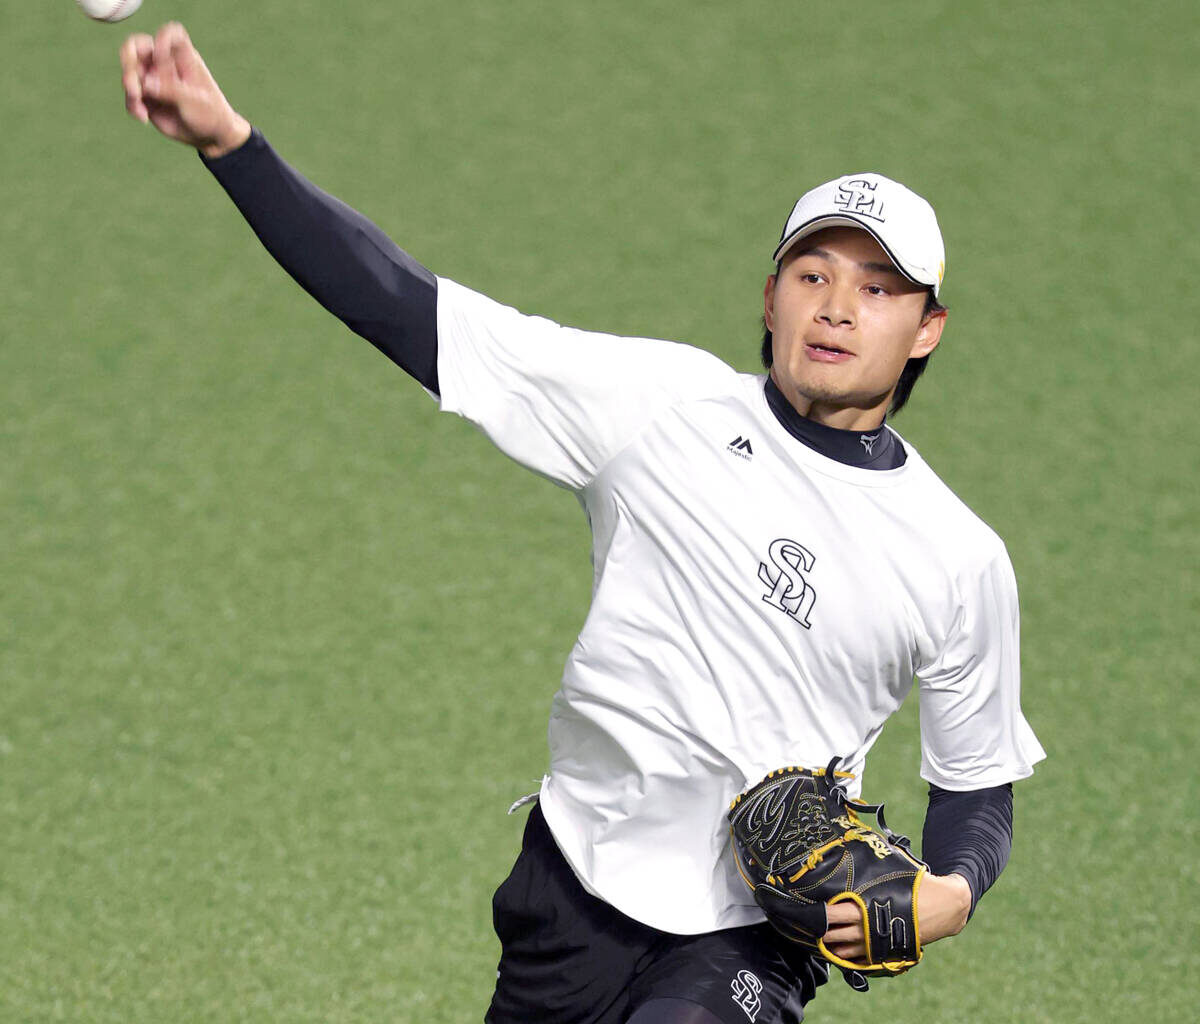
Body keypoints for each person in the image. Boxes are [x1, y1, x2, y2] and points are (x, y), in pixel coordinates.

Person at [120, 23, 1045, 1024]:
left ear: (927, 329)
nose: (836, 309)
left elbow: (976, 781)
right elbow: (402, 307)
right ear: (770, 294)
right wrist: (230, 144)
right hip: (572, 881)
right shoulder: (656, 406)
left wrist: (948, 894)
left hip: (744, 937)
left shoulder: (957, 558)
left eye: (876, 289)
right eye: (813, 274)